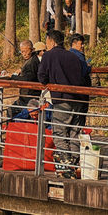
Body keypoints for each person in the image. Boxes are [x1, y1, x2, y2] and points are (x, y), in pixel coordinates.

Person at [38, 29, 89, 178]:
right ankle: (73, 165)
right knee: (74, 132)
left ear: (52, 41)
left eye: (47, 41)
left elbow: (42, 76)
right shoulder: (72, 56)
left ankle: (66, 167)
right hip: (79, 99)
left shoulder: (49, 55)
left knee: (59, 132)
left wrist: (49, 82)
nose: (46, 45)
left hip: (63, 99)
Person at [2, 40, 40, 115]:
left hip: (29, 97)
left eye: (26, 51)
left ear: (32, 50)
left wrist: (12, 76)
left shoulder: (32, 62)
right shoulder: (30, 59)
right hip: (25, 96)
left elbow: (27, 79)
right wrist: (21, 70)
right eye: (22, 52)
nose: (24, 54)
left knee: (11, 112)